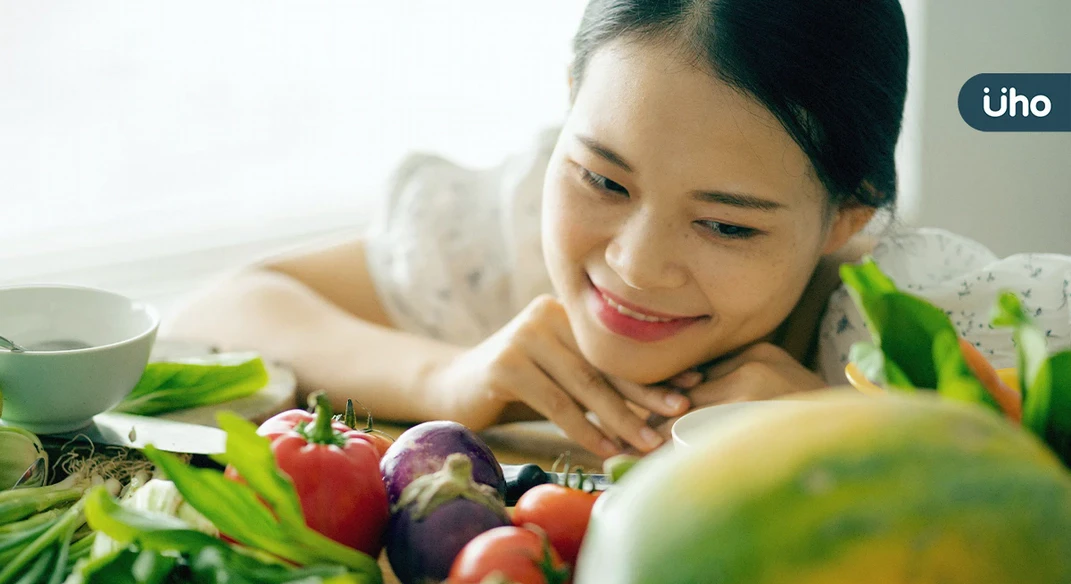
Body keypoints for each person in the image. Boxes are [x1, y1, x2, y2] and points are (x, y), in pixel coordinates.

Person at [165, 0, 1071, 459]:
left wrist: (843, 429)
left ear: (848, 216)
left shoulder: (931, 324)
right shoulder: (518, 231)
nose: (632, 265)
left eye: (723, 224)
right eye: (601, 176)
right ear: (569, 106)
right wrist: (447, 375)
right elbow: (217, 313)